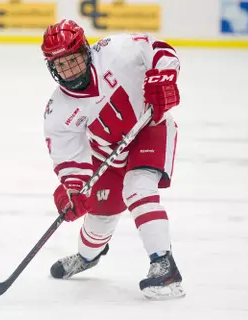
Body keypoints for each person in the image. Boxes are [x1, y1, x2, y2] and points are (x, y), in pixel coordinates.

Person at [41, 19, 184, 300]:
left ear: (86, 50)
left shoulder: (117, 50)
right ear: (52, 68)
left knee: (138, 187)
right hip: (109, 154)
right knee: (98, 219)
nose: (69, 70)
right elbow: (70, 160)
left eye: (74, 60)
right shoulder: (57, 112)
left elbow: (162, 52)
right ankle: (87, 256)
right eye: (61, 65)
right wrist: (73, 190)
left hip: (149, 128)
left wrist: (163, 77)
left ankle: (164, 267)